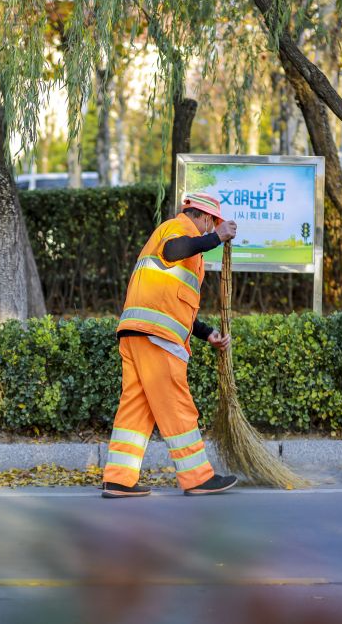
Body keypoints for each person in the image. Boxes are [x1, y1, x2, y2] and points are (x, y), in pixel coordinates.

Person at [102, 192, 239, 498]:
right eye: (211, 223)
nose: (209, 228)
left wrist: (206, 334)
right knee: (178, 405)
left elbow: (174, 303)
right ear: (204, 216)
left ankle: (119, 479)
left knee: (135, 409)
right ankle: (197, 478)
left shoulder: (185, 243)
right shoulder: (180, 229)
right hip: (157, 337)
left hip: (138, 332)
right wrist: (217, 237)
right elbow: (173, 249)